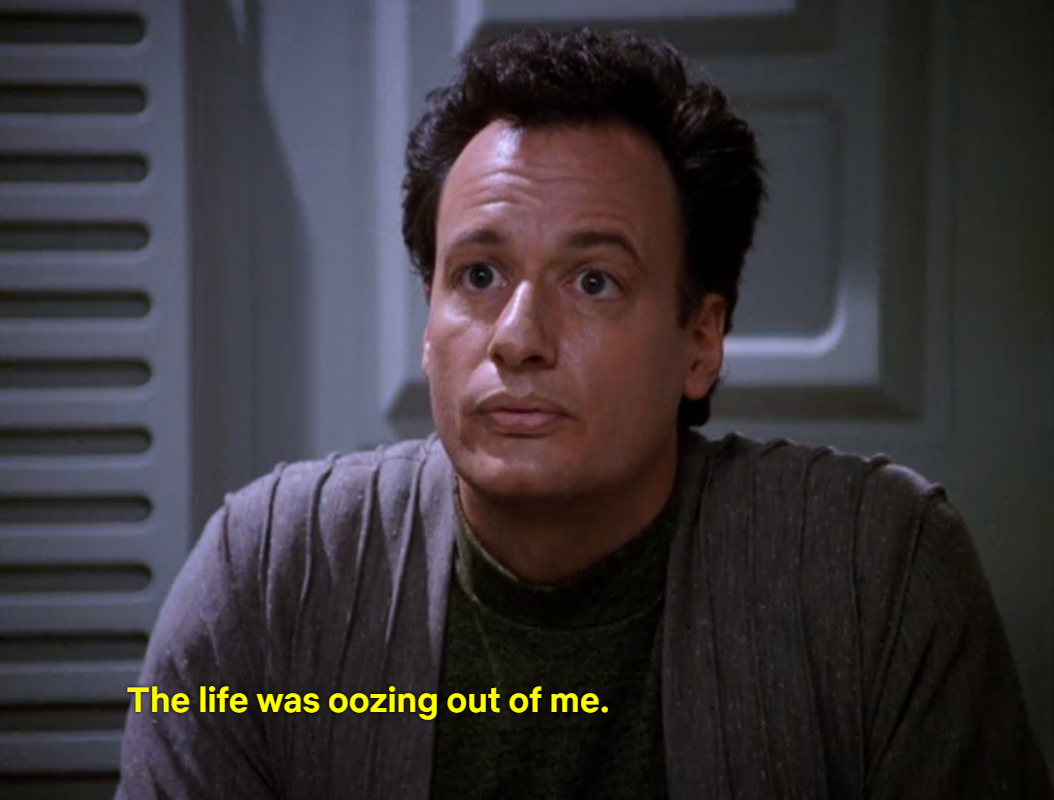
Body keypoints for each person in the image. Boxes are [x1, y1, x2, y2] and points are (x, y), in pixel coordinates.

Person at [117, 27, 1052, 798]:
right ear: (428, 322)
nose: (518, 338)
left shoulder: (876, 576)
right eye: (478, 276)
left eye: (595, 281)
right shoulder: (268, 577)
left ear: (701, 341)